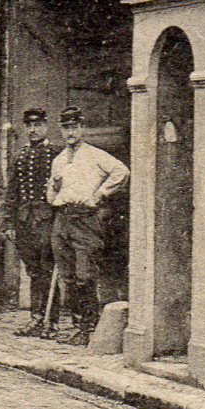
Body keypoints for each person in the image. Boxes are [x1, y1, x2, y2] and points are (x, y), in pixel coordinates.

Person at [45, 109, 130, 346]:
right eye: (65, 128)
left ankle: (89, 326)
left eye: (74, 127)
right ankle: (76, 324)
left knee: (85, 275)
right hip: (62, 219)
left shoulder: (96, 155)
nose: (70, 132)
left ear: (82, 129)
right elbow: (51, 195)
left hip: (85, 219)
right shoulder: (59, 160)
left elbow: (121, 172)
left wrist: (100, 193)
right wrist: (53, 189)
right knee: (68, 276)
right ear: (61, 130)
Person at [1, 107, 56, 335]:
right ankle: (36, 317)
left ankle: (50, 320)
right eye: (29, 126)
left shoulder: (56, 153)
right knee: (33, 270)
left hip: (47, 220)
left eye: (38, 125)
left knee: (47, 269)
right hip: (25, 221)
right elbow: (12, 191)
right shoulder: (20, 155)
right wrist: (9, 223)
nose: (33, 130)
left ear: (46, 127)